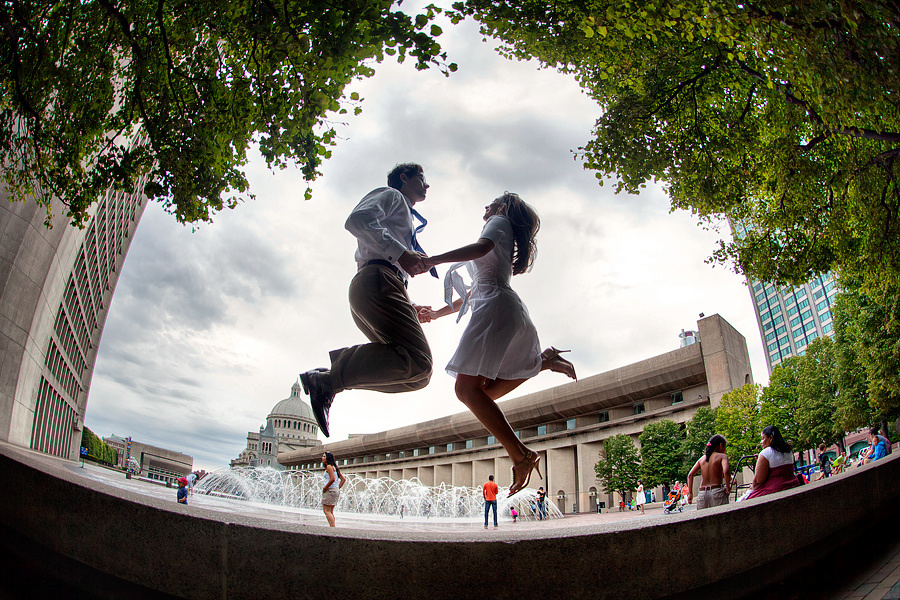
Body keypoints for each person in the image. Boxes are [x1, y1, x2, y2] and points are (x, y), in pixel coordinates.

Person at [418, 192, 576, 496]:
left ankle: (521, 456)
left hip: (496, 309)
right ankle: (543, 362)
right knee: (480, 394)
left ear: (503, 206)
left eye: (491, 203)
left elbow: (481, 247)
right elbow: (474, 291)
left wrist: (432, 260)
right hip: (498, 307)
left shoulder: (499, 221)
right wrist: (436, 313)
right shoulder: (502, 228)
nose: (486, 207)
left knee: (467, 391)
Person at [298, 163, 438, 438]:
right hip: (377, 279)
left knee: (417, 377)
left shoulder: (402, 212)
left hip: (383, 283)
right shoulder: (392, 195)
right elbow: (358, 220)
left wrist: (408, 305)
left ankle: (330, 381)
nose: (427, 184)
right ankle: (327, 379)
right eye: (422, 178)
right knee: (419, 363)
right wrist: (402, 253)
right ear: (404, 177)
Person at [744, 425, 802, 499]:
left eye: (763, 438)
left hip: (775, 489)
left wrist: (749, 491)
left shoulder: (765, 452)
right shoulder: (789, 451)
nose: (761, 442)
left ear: (770, 438)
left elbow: (758, 481)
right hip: (793, 484)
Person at [686, 434, 732, 510]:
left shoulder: (701, 459)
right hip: (717, 491)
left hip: (702, 494)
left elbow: (690, 475)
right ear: (721, 445)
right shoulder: (722, 456)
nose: (725, 450)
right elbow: (726, 471)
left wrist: (690, 493)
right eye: (725, 447)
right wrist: (727, 485)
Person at [322, 451, 347, 527]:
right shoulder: (334, 467)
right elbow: (343, 479)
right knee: (330, 511)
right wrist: (337, 488)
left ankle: (332, 527)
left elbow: (332, 479)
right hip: (334, 490)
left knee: (326, 511)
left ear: (328, 458)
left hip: (330, 490)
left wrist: (325, 488)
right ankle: (332, 527)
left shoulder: (329, 467)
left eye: (324, 456)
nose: (322, 458)